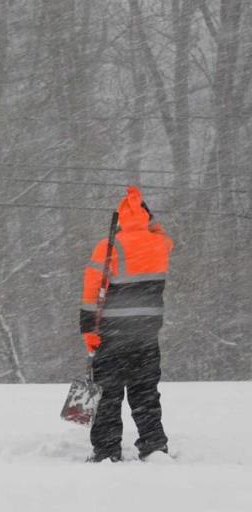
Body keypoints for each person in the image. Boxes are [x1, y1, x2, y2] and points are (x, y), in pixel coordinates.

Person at [79, 186, 174, 462]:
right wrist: (147, 218)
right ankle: (154, 445)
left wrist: (88, 329)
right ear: (146, 218)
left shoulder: (108, 246)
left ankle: (107, 451)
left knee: (107, 394)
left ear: (120, 219)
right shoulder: (159, 245)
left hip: (111, 335)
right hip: (146, 335)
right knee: (145, 392)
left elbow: (91, 291)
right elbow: (163, 236)